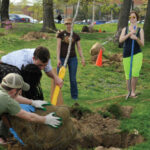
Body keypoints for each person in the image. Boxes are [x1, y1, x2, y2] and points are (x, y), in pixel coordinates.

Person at [0, 73, 62, 144]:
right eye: (20, 90)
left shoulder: (2, 91)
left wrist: (32, 102)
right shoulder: (7, 101)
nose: (20, 92)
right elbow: (29, 117)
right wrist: (46, 119)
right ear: (14, 90)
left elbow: (14, 97)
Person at [57, 18, 85, 100]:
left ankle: (74, 96)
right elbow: (58, 47)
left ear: (72, 24)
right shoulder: (61, 35)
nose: (68, 25)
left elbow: (79, 48)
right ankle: (57, 96)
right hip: (62, 58)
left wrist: (82, 58)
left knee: (73, 79)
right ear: (65, 25)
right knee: (60, 78)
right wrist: (58, 59)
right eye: (67, 24)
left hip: (73, 59)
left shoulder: (76, 36)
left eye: (70, 24)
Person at [119, 10, 144, 98]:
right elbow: (121, 40)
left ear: (137, 19)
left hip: (137, 54)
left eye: (134, 17)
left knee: (135, 72)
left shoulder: (140, 30)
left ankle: (133, 91)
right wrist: (129, 34)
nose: (132, 19)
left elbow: (142, 44)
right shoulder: (125, 29)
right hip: (126, 54)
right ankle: (129, 92)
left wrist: (136, 38)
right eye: (131, 17)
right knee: (127, 74)